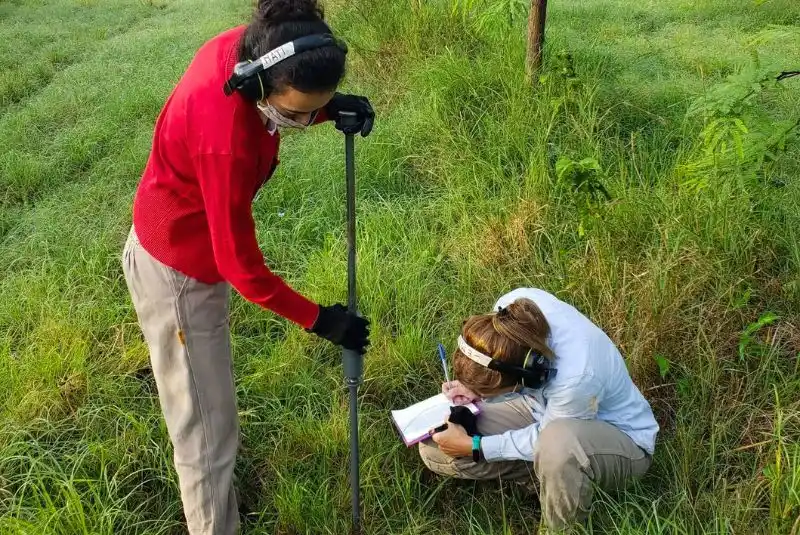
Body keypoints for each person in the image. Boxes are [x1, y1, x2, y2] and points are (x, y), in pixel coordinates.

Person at [121, 1, 373, 533]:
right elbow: (241, 267)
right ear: (259, 87)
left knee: (212, 415)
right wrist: (321, 319)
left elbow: (291, 102)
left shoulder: (255, 45)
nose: (306, 123)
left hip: (185, 237)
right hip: (179, 273)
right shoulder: (226, 141)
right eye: (298, 113)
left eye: (317, 110)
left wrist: (333, 107)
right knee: (207, 436)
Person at [419, 288, 659, 533]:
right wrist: (475, 390)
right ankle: (557, 479)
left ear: (529, 375)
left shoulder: (577, 375)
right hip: (543, 412)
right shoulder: (508, 312)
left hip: (622, 443)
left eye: (489, 392)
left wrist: (477, 447)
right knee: (433, 445)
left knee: (557, 447)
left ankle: (562, 522)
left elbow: (549, 435)